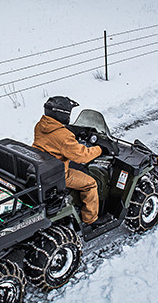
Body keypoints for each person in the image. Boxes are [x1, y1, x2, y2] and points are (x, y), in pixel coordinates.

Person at [32, 96, 110, 226]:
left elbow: (56, 137)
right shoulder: (63, 136)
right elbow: (82, 156)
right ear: (62, 114)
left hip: (42, 165)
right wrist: (100, 149)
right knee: (90, 183)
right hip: (59, 174)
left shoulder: (41, 125)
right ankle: (91, 219)